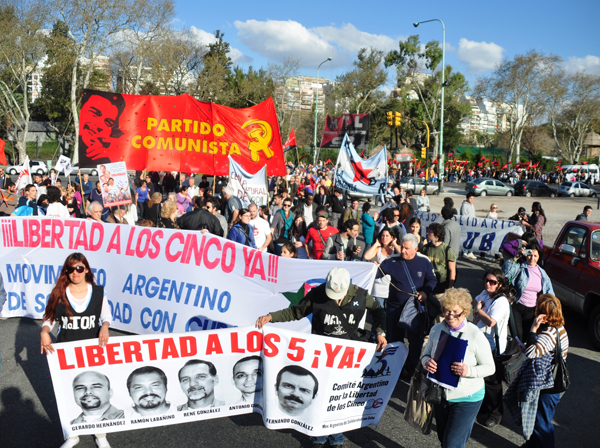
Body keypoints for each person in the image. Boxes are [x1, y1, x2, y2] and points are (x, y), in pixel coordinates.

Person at [256, 267, 386, 447]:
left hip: (346, 355)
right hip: (320, 355)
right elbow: (295, 312)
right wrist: (271, 317)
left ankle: (336, 437)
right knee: (320, 393)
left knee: (337, 395)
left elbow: (379, 310)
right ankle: (317, 435)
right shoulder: (317, 294)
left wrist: (380, 331)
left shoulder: (362, 296)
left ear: (347, 289)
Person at [40, 253, 112, 448]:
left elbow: (106, 315)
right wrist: (45, 331)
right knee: (67, 392)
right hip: (66, 350)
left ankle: (100, 433)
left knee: (96, 390)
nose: (75, 273)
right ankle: (72, 435)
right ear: (67, 272)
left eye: (79, 268)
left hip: (92, 349)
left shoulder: (98, 292)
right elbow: (49, 319)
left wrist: (105, 326)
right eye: (71, 269)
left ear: (86, 269)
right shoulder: (58, 293)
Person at [422, 288, 495, 448]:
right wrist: (426, 362)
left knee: (451, 444)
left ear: (465, 311)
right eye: (447, 310)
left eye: (455, 312)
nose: (450, 315)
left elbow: (490, 367)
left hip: (468, 397)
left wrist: (468, 371)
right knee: (443, 439)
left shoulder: (475, 334)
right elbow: (425, 355)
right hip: (441, 395)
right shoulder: (436, 329)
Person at [375, 233, 437, 376]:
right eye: (402, 247)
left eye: (407, 248)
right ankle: (395, 368)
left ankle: (411, 368)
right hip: (394, 308)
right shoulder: (392, 261)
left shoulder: (424, 262)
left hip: (414, 309)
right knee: (394, 340)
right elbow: (376, 274)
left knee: (415, 341)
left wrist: (426, 292)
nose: (402, 251)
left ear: (415, 249)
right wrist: (374, 267)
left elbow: (432, 280)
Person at [521, 294, 569, 448]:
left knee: (542, 423)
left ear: (544, 316)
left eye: (537, 308)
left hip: (548, 386)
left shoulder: (548, 334)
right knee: (540, 419)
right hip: (555, 383)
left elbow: (531, 353)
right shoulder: (559, 328)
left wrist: (533, 329)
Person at [473, 268, 511, 428]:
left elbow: (491, 321)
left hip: (493, 347)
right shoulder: (485, 293)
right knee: (480, 377)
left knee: (492, 382)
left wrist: (479, 310)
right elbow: (475, 302)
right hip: (480, 342)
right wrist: (478, 309)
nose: (488, 284)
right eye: (486, 280)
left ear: (500, 285)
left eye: (492, 282)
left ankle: (495, 414)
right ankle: (482, 408)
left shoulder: (501, 301)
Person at [502, 244, 554, 341]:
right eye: (530, 255)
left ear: (539, 257)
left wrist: (551, 310)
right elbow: (505, 273)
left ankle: (524, 356)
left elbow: (550, 293)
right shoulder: (519, 268)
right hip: (516, 307)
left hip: (532, 311)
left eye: (535, 256)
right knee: (517, 337)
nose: (532, 258)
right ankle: (516, 355)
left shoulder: (542, 274)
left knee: (527, 338)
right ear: (526, 254)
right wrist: (517, 256)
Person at [365, 227, 401, 308]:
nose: (384, 238)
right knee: (379, 311)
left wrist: (394, 243)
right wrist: (376, 244)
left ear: (392, 237)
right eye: (382, 236)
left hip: (392, 286)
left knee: (390, 313)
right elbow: (366, 256)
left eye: (387, 236)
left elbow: (403, 254)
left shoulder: (396, 249)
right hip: (379, 286)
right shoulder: (378, 249)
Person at [422, 223, 456, 294]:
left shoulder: (447, 250)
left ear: (436, 236)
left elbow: (452, 270)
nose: (427, 233)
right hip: (427, 285)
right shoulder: (425, 248)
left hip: (441, 287)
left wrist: (450, 287)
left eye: (430, 232)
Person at [460, 193, 477, 259]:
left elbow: (473, 214)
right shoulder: (464, 205)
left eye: (473, 198)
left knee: (471, 238)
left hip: (472, 224)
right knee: (466, 238)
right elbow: (464, 216)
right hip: (466, 225)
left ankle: (470, 252)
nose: (472, 200)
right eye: (471, 198)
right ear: (467, 198)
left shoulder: (472, 205)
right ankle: (464, 252)